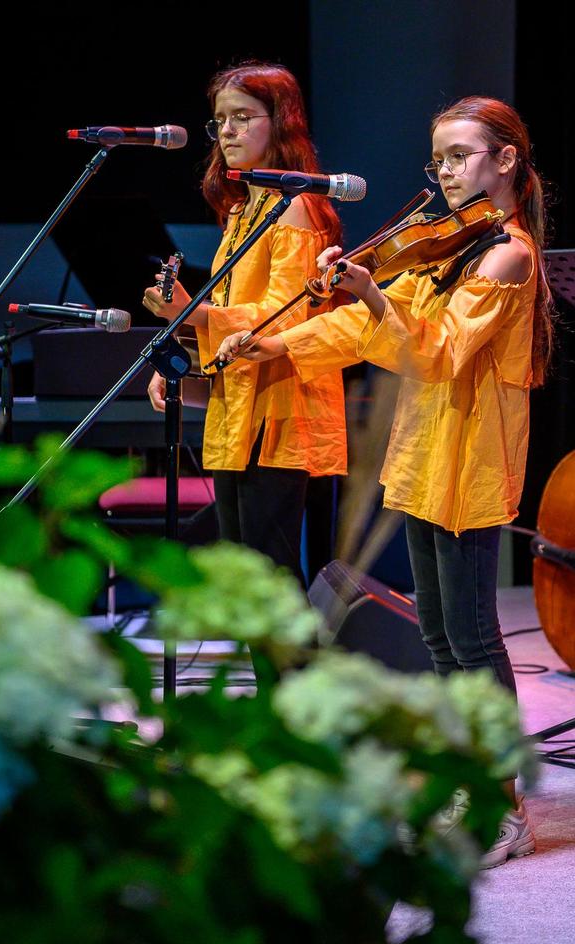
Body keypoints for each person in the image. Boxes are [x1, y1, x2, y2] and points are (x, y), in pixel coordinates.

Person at [215, 96, 553, 867]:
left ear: (505, 160)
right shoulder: (443, 248)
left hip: (470, 465)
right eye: (437, 159)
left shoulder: (508, 253)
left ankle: (506, 806)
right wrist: (275, 345)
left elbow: (435, 352)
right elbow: (359, 331)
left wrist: (369, 290)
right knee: (436, 635)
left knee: (473, 637)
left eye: (461, 156)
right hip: (422, 457)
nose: (445, 171)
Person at [142, 62, 348, 590]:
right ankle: (276, 677)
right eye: (219, 122)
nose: (227, 132)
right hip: (238, 409)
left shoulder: (297, 207)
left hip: (281, 413)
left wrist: (190, 312)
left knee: (271, 580)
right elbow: (231, 308)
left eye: (241, 117)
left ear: (279, 123)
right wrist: (180, 359)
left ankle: (299, 677)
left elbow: (284, 317)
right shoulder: (242, 211)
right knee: (248, 580)